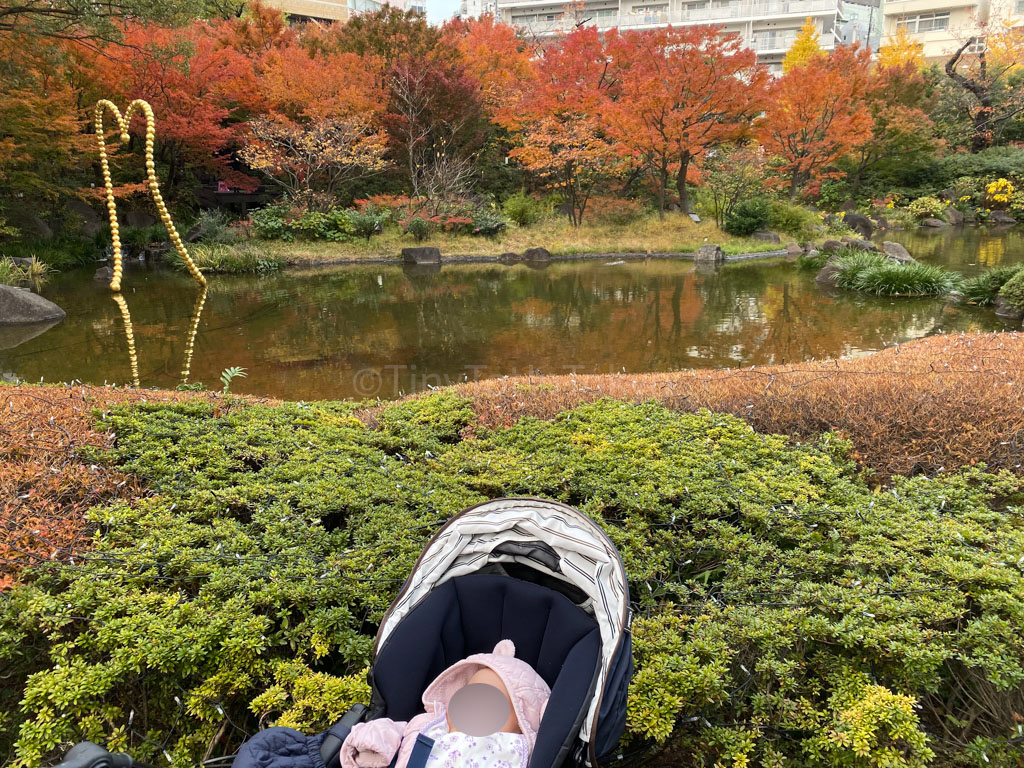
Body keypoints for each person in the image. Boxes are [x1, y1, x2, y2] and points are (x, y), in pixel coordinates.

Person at [341, 641, 550, 768]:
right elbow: (391, 731)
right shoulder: (428, 726)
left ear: (522, 722)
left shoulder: (522, 750)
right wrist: (370, 745)